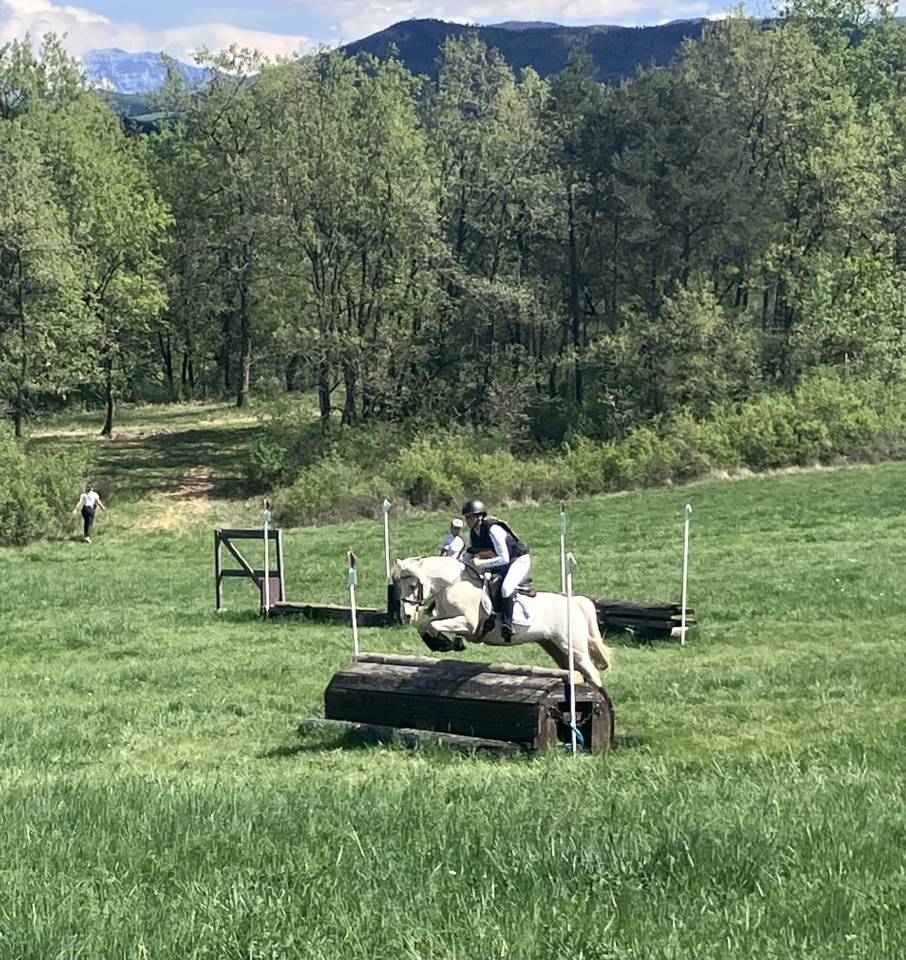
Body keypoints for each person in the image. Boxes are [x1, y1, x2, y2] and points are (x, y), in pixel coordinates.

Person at [461, 499, 531, 642]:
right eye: (466, 517)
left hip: (518, 560)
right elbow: (470, 552)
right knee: (486, 584)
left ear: (479, 517)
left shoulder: (493, 529)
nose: (467, 520)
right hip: (501, 564)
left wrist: (481, 564)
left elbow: (504, 558)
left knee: (505, 588)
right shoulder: (474, 533)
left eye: (470, 517)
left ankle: (507, 624)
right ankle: (491, 616)